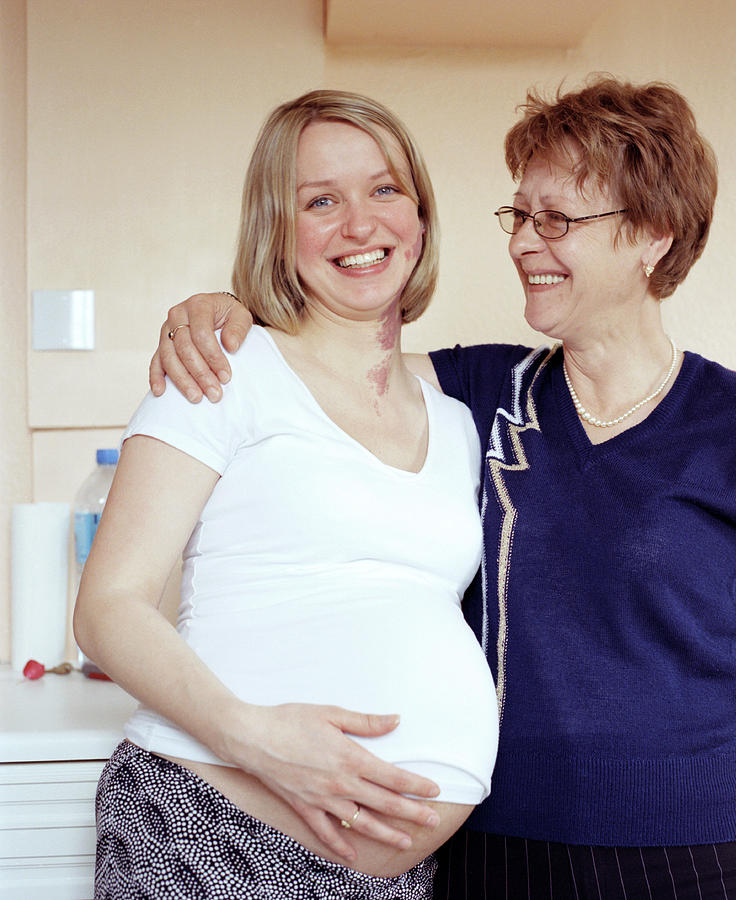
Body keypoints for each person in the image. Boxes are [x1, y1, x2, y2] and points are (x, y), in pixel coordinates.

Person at [150, 76, 736, 899]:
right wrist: (220, 312)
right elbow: (318, 364)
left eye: (558, 220)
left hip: (695, 856)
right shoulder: (481, 391)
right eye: (521, 215)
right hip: (494, 857)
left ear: (653, 235)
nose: (526, 242)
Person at [73, 90, 500, 900]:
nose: (361, 225)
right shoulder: (222, 370)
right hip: (210, 831)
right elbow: (108, 608)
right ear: (278, 226)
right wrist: (258, 740)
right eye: (321, 201)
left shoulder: (454, 419)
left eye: (384, 190)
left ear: (421, 214)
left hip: (397, 880)